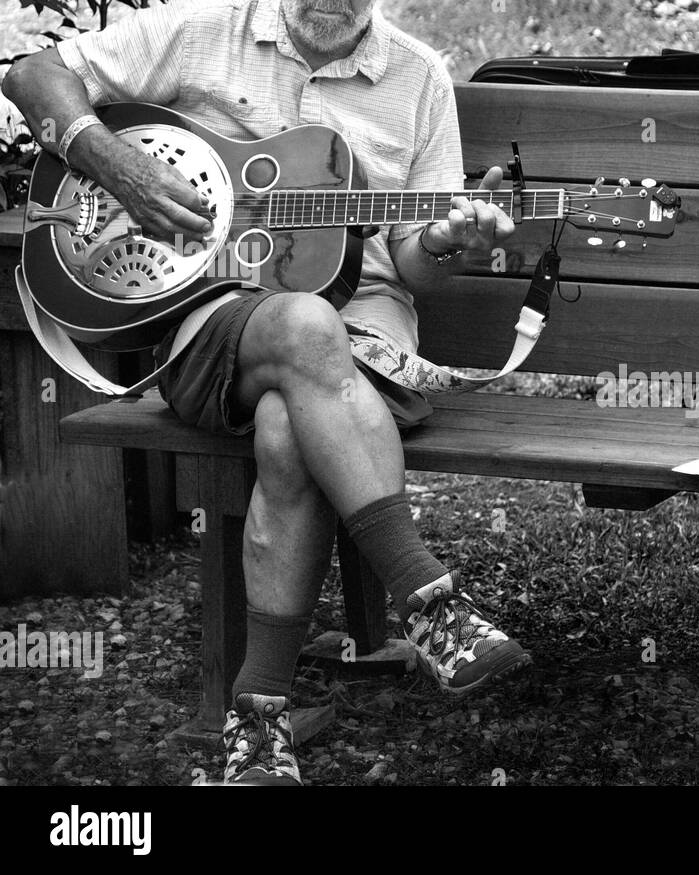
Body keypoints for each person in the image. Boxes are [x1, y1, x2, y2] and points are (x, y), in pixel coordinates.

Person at [3, 0, 531, 785]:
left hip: (369, 326)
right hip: (213, 320)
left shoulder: (418, 79)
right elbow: (31, 74)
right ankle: (429, 603)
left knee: (289, 425)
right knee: (307, 325)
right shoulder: (197, 30)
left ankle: (258, 719)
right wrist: (118, 164)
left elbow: (414, 265)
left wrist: (449, 243)